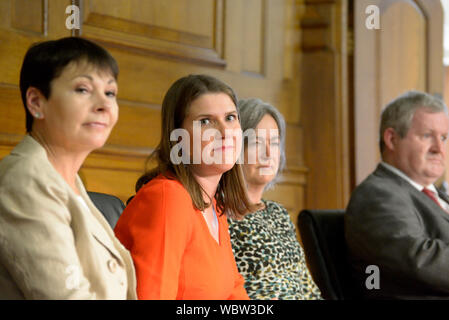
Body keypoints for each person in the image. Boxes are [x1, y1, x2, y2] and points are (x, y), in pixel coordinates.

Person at [0, 37, 137, 299]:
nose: (104, 104)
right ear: (36, 102)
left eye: (110, 92)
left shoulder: (66, 180)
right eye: (83, 89)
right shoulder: (24, 180)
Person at [114, 74, 256, 300]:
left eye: (230, 118)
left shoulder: (213, 205)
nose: (225, 132)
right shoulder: (167, 198)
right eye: (205, 121)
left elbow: (232, 290)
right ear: (178, 137)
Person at [345, 90, 449, 299]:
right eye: (427, 136)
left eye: (444, 137)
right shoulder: (378, 195)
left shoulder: (438, 194)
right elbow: (421, 260)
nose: (439, 148)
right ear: (392, 139)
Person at [227, 98, 322, 300]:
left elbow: (307, 286)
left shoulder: (277, 212)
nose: (269, 153)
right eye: (256, 143)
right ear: (234, 149)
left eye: (275, 143)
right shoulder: (219, 215)